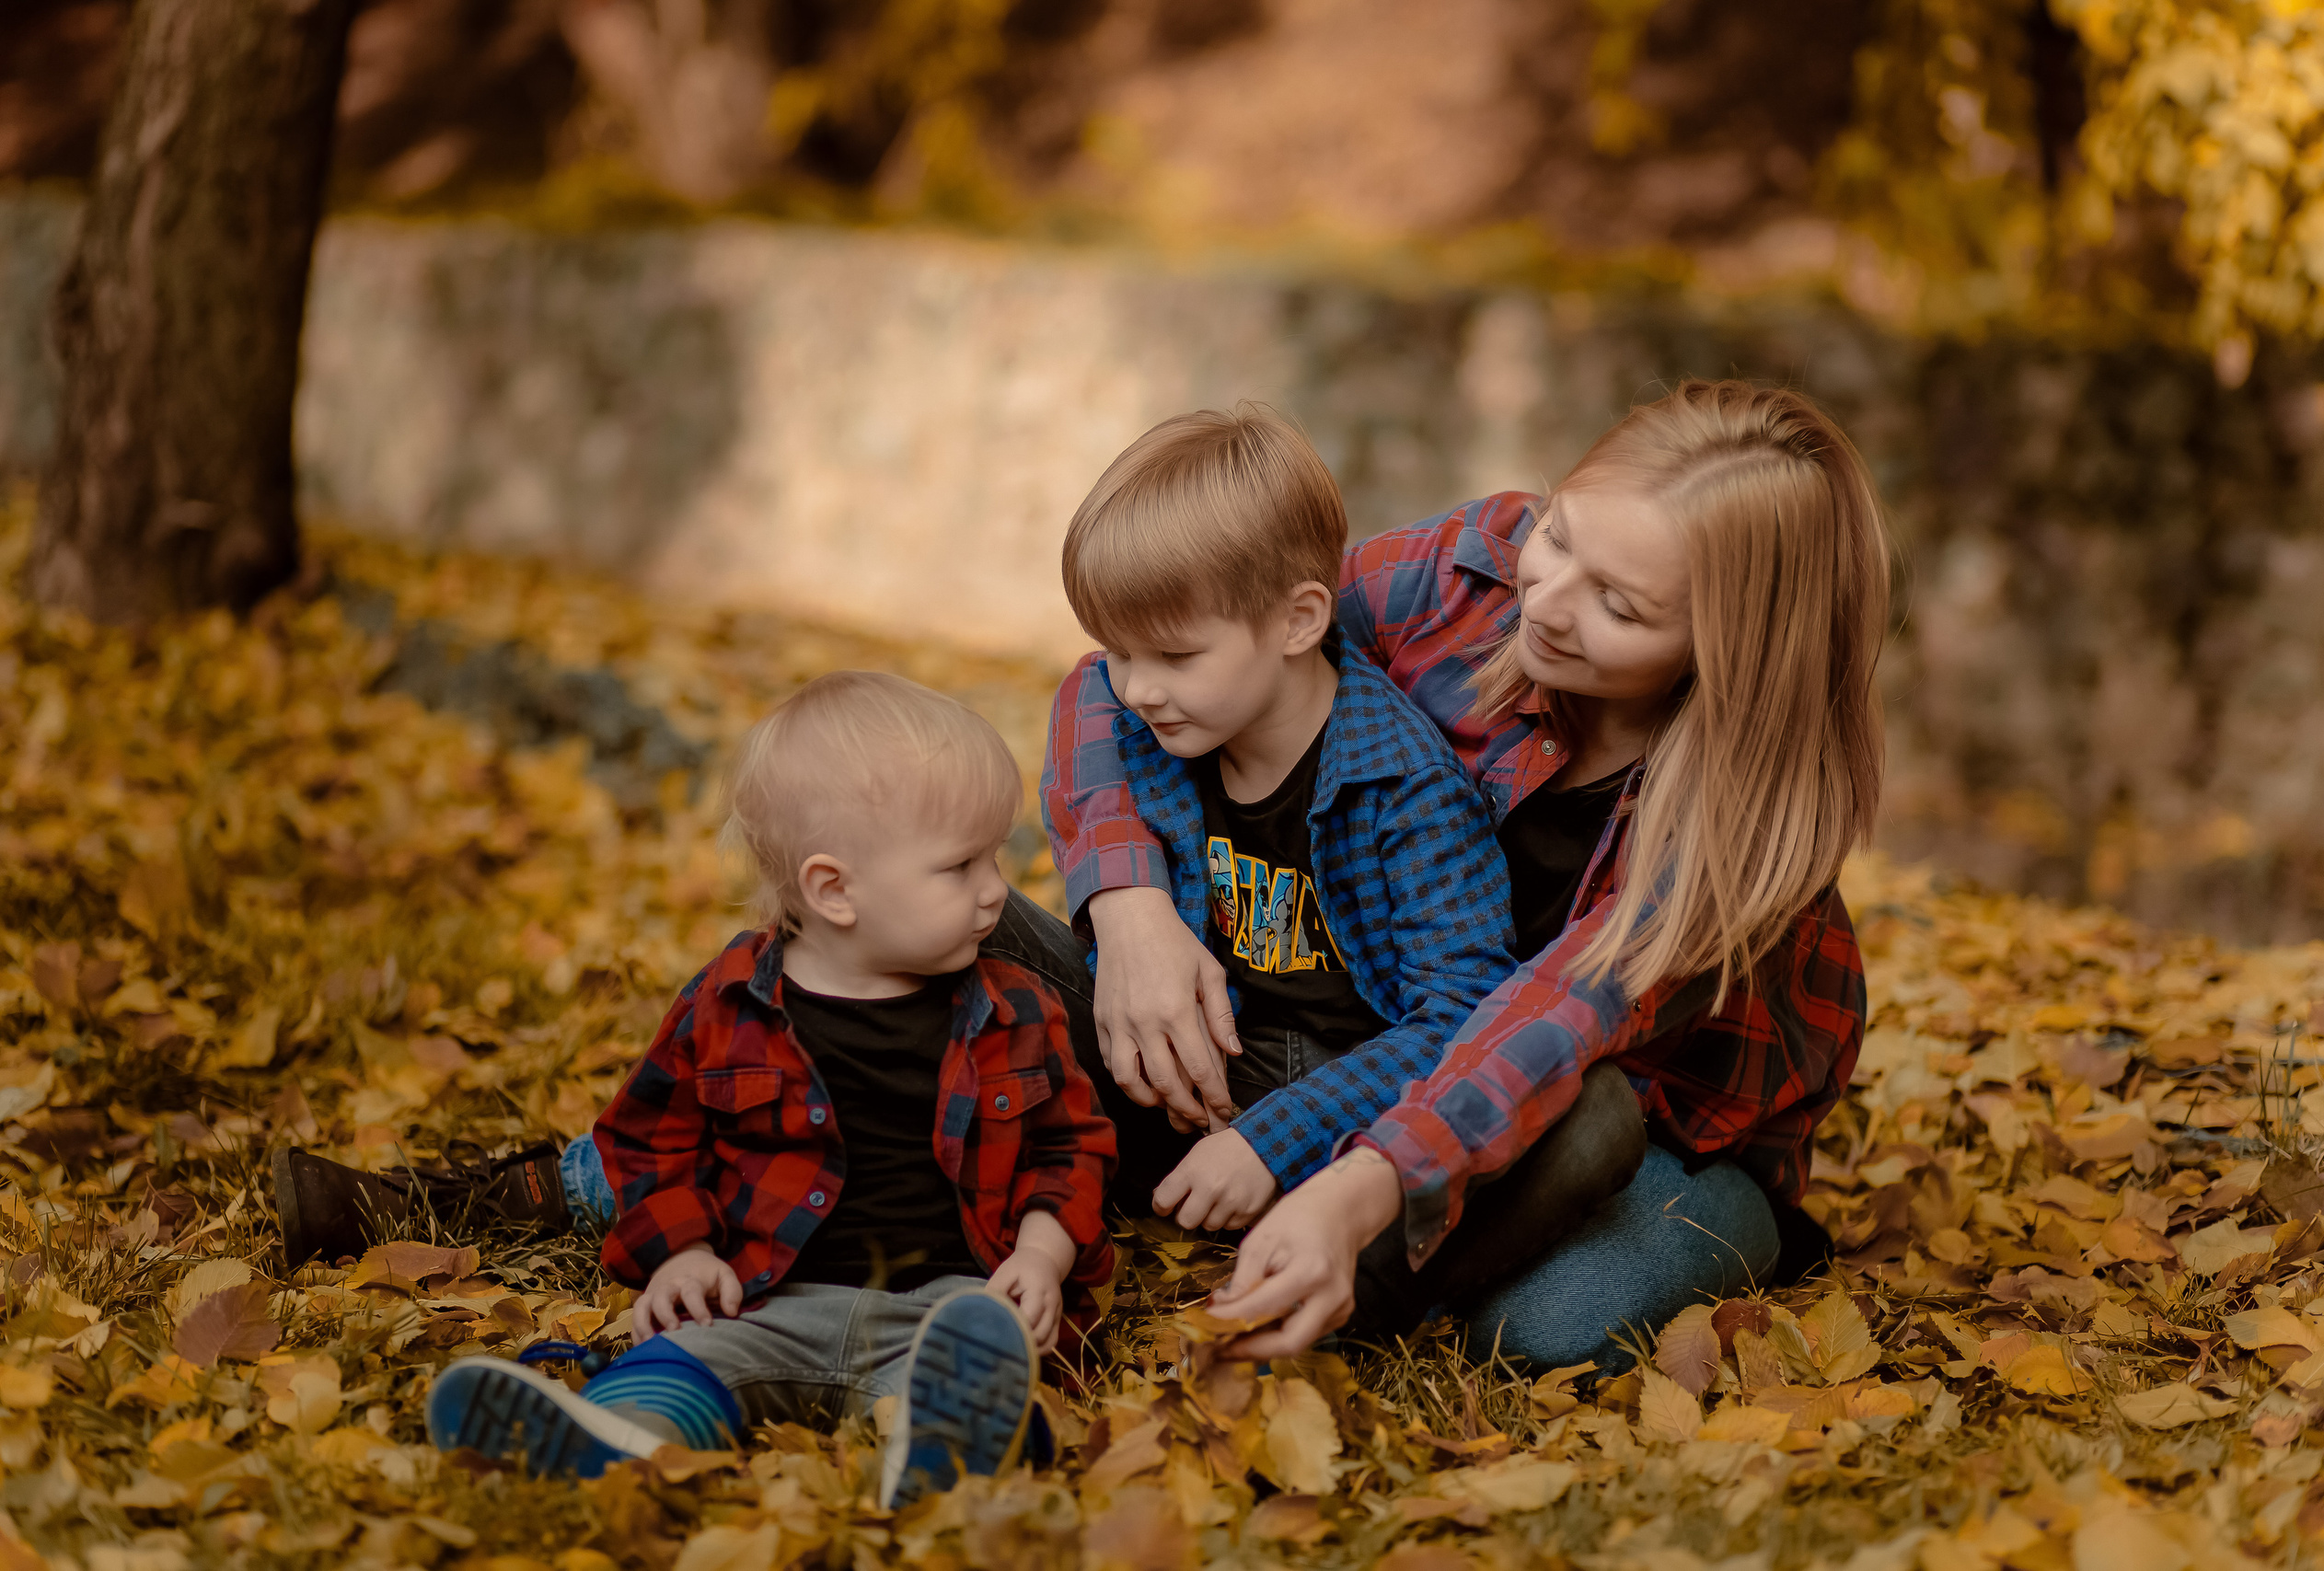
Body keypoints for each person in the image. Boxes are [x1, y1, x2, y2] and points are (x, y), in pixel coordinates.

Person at [1045, 380, 1886, 1369]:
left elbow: (1548, 1025)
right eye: (1561, 536)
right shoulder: (1459, 580)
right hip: (1400, 1033)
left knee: (1545, 1314)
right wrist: (1130, 906)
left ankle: (1730, 1235)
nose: (1547, 604)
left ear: (1729, 651)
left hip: (1637, 1114)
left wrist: (1359, 1181)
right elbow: (1155, 653)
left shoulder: (1734, 830)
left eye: (1619, 605)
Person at [422, 672, 1117, 1504]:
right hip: (764, 1295)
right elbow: (647, 1138)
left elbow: (1071, 1143)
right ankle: (617, 1435)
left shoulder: (1017, 1008)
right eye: (960, 865)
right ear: (834, 890)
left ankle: (955, 1446)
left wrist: (1043, 1255)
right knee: (685, 1356)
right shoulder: (729, 1002)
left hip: (948, 1305)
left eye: (995, 856)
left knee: (986, 1360)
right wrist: (681, 1254)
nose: (996, 889)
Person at [1007, 404, 1639, 1244]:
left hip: (1337, 1092)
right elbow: (1088, 701)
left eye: (1173, 657)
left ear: (1301, 620)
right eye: (1119, 653)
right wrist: (1129, 911)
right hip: (1185, 1045)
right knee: (965, 918)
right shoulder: (1160, 716)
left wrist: (1272, 1138)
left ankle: (1236, 1201)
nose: (1136, 688)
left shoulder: (1408, 789)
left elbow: (1457, 1014)